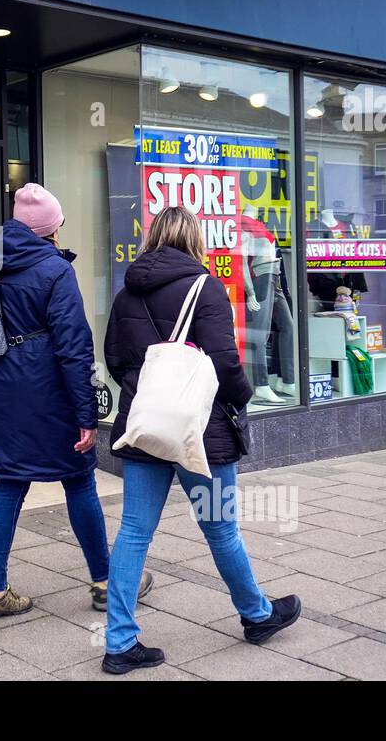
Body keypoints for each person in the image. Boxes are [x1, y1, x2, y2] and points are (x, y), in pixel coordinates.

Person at [101, 206, 300, 673]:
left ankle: (119, 642)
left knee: (133, 532)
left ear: (153, 238)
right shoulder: (204, 286)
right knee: (221, 528)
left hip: (145, 428)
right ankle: (257, 616)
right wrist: (241, 399)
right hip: (202, 433)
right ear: (194, 240)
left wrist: (147, 391)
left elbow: (114, 358)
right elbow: (226, 364)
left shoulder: (126, 292)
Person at [0, 183, 151, 621]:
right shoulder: (54, 270)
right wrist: (86, 414)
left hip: (2, 385)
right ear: (50, 228)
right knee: (79, 477)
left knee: (8, 482)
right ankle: (106, 582)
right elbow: (73, 348)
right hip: (47, 390)